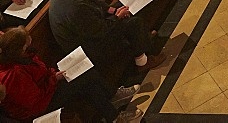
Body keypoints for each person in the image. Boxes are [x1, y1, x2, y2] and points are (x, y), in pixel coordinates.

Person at [0, 25, 141, 122]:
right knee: (84, 78)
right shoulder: (12, 75)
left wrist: (53, 75)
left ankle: (114, 113)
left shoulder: (25, 56)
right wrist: (54, 80)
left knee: (85, 75)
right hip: (40, 108)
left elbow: (40, 72)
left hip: (46, 90)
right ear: (19, 50)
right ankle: (113, 101)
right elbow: (34, 102)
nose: (30, 43)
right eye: (27, 43)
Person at [49, 0, 166, 76]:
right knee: (133, 23)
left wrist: (113, 11)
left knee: (128, 7)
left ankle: (142, 40)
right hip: (90, 46)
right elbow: (100, 31)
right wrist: (117, 17)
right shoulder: (75, 9)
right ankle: (142, 62)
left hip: (92, 25)